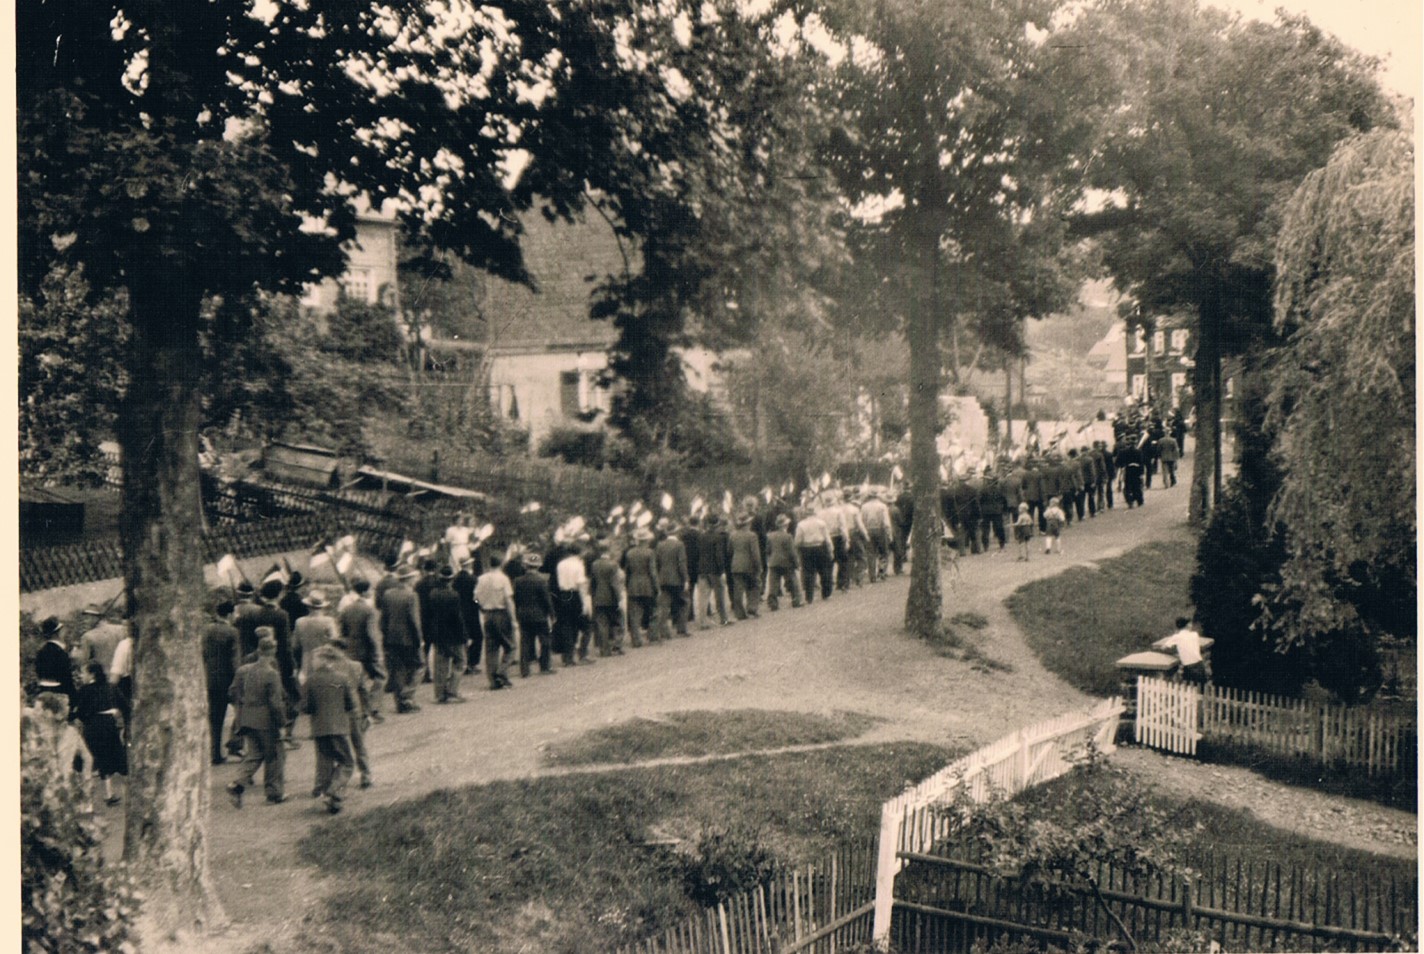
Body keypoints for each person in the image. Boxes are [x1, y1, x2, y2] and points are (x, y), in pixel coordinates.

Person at [226, 631, 288, 807]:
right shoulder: (271, 673)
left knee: (254, 754)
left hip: (246, 718)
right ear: (273, 651)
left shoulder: (244, 670)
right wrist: (282, 724)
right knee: (276, 755)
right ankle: (274, 793)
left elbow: (233, 691)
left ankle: (237, 784)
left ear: (259, 650)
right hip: (266, 721)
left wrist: (242, 706)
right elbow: (275, 703)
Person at [304, 643, 357, 814]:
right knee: (347, 762)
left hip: (319, 728)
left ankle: (330, 797)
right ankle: (333, 793)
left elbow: (305, 707)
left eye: (314, 659)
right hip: (338, 727)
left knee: (325, 762)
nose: (312, 662)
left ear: (322, 661)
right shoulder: (342, 679)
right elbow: (351, 704)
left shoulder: (310, 680)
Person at [73, 661, 129, 806]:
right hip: (109, 726)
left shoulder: (85, 690)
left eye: (83, 672)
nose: (81, 675)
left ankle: (87, 801)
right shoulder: (110, 687)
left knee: (87, 761)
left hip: (93, 728)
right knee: (112, 760)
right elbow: (124, 706)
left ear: (92, 674)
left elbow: (80, 713)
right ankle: (111, 794)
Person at [337, 578, 387, 723]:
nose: (371, 593)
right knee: (381, 677)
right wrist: (377, 652)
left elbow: (343, 631)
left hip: (352, 650)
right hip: (367, 651)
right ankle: (372, 708)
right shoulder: (369, 610)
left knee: (358, 681)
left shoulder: (347, 609)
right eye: (370, 590)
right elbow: (372, 634)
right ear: (365, 592)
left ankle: (361, 711)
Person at [329, 635, 374, 789]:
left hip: (337, 712)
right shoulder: (356, 666)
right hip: (355, 710)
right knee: (359, 744)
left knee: (340, 748)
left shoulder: (329, 668)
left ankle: (339, 780)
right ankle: (366, 775)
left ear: (339, 649)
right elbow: (364, 691)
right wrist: (367, 712)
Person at [377, 566, 423, 713]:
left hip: (391, 638)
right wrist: (419, 640)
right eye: (414, 577)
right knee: (419, 667)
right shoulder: (411, 596)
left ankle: (401, 703)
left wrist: (385, 634)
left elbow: (383, 619)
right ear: (409, 579)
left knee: (398, 670)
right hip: (408, 638)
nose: (415, 580)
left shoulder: (388, 594)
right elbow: (414, 621)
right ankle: (407, 696)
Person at [201, 600, 242, 765]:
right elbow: (234, 659)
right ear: (230, 614)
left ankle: (214, 753)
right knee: (241, 711)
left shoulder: (206, 630)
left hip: (210, 678)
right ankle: (235, 743)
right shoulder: (232, 632)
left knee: (215, 718)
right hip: (228, 679)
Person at [425, 565, 468, 703]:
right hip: (453, 634)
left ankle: (439, 694)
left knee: (440, 664)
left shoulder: (432, 594)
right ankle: (452, 691)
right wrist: (464, 636)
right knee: (460, 662)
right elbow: (457, 618)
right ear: (451, 579)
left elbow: (429, 614)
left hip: (438, 633)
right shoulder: (454, 595)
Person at [476, 553, 519, 688]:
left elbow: (475, 597)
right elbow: (508, 600)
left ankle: (493, 681)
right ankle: (501, 672)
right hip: (501, 613)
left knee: (491, 649)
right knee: (511, 646)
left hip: (487, 614)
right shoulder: (503, 579)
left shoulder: (481, 579)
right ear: (501, 564)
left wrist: (481, 606)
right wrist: (513, 619)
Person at [512, 549, 556, 676]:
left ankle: (524, 670)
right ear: (538, 566)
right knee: (545, 641)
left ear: (526, 566)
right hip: (539, 615)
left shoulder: (518, 581)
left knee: (525, 642)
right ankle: (545, 667)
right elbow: (546, 600)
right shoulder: (541, 580)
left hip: (523, 615)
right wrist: (552, 614)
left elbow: (516, 598)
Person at [553, 542, 593, 665]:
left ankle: (567, 657)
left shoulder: (560, 564)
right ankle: (583, 653)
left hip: (563, 594)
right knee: (587, 626)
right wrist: (585, 603)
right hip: (575, 594)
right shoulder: (578, 565)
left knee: (567, 625)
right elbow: (581, 584)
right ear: (579, 552)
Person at [293, 588, 339, 685]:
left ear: (308, 606)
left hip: (306, 660)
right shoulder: (328, 621)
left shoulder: (299, 622)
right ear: (322, 607)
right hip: (324, 660)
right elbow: (334, 641)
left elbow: (295, 645)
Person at [621, 529, 659, 646]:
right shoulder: (650, 552)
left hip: (633, 585)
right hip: (647, 585)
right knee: (653, 611)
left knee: (634, 615)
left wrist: (626, 585)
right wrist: (657, 587)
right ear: (646, 540)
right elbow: (653, 572)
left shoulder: (629, 553)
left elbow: (627, 571)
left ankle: (636, 640)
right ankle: (652, 637)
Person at [654, 521, 690, 639]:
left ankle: (662, 631)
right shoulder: (679, 545)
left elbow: (657, 563)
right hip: (677, 579)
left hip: (663, 579)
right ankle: (682, 629)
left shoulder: (660, 545)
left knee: (664, 606)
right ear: (676, 532)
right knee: (683, 603)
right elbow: (682, 563)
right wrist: (685, 579)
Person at [33, 616, 77, 711]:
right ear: (58, 633)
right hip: (59, 694)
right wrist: (74, 699)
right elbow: (66, 678)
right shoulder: (60, 652)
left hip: (43, 692)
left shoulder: (41, 651)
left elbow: (38, 672)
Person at [695, 514, 731, 628]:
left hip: (702, 569)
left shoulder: (701, 536)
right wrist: (722, 570)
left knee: (703, 596)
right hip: (715, 570)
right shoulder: (718, 537)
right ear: (717, 524)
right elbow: (719, 556)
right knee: (719, 595)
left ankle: (702, 622)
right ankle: (723, 619)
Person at [589, 542, 624, 655]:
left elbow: (593, 583)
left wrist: (593, 596)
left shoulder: (594, 564)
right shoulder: (613, 565)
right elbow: (614, 583)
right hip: (611, 597)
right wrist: (619, 599)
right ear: (608, 551)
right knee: (617, 622)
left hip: (598, 597)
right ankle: (617, 645)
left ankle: (604, 649)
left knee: (602, 624)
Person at [793, 506, 834, 603]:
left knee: (808, 573)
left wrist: (798, 549)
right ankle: (826, 593)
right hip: (820, 547)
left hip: (807, 549)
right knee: (825, 571)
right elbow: (827, 538)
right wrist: (831, 550)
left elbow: (798, 540)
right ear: (814, 513)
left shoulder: (801, 525)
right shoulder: (821, 523)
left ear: (806, 514)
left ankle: (809, 596)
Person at [727, 513, 763, 620]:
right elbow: (755, 553)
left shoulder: (732, 535)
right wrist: (759, 566)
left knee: (738, 589)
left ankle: (739, 613)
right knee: (754, 586)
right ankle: (752, 607)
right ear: (747, 524)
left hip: (736, 565)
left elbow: (729, 551)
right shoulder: (752, 535)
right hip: (750, 565)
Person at [764, 513, 803, 610]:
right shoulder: (788, 537)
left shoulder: (770, 536)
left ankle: (773, 603)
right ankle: (796, 600)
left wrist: (770, 558)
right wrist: (796, 563)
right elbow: (792, 552)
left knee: (773, 584)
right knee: (793, 582)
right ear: (786, 525)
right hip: (786, 563)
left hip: (773, 562)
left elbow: (767, 550)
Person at [452, 555, 482, 675]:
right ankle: (472, 663)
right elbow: (475, 597)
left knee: (464, 638)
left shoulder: (455, 579)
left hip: (459, 610)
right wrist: (478, 604)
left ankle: (463, 662)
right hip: (471, 611)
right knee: (477, 637)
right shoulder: (473, 579)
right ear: (469, 564)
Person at [1160, 617, 1211, 686]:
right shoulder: (1194, 635)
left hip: (1188, 666)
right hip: (1199, 664)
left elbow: (1163, 647)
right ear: (1187, 625)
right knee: (1202, 688)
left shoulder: (1176, 637)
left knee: (1189, 688)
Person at [860, 490, 893, 581]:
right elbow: (886, 521)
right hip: (880, 530)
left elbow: (862, 520)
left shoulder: (864, 507)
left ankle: (872, 575)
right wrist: (889, 533)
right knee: (883, 552)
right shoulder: (882, 506)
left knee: (871, 553)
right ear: (877, 496)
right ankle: (882, 572)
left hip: (868, 530)